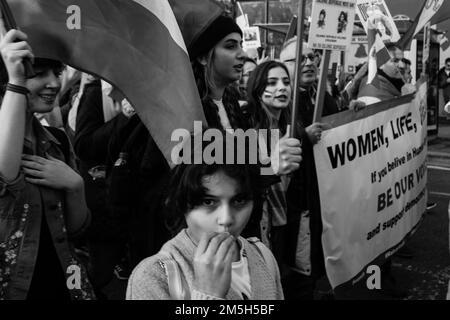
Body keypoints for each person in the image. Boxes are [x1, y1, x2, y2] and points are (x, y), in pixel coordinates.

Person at [0, 29, 94, 299]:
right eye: (38, 73)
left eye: (57, 72)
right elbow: (6, 176)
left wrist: (75, 186)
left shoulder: (59, 142)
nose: (54, 83)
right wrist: (16, 79)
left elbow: (76, 230)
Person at [126, 147, 284, 300]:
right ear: (182, 202)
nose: (226, 219)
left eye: (239, 200)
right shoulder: (154, 276)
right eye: (208, 202)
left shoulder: (262, 255)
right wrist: (208, 294)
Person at [279, 36, 339, 300]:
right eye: (300, 58)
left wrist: (352, 113)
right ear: (284, 65)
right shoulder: (279, 100)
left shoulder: (324, 98)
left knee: (314, 264)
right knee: (294, 269)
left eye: (312, 57)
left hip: (323, 197)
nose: (309, 62)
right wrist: (304, 136)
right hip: (293, 203)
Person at [245, 60, 302, 258]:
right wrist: (272, 168)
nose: (281, 87)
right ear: (257, 87)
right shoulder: (247, 128)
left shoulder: (289, 127)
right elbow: (246, 177)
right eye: (272, 82)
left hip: (282, 221)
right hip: (259, 226)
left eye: (286, 82)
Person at [189, 15, 248, 130]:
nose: (243, 55)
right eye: (231, 46)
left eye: (241, 45)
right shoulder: (186, 109)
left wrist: (275, 148)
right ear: (203, 57)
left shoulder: (233, 103)